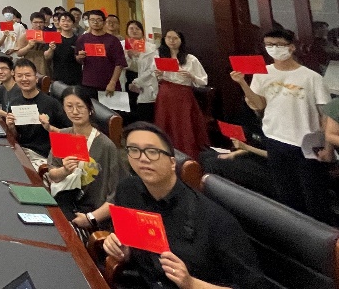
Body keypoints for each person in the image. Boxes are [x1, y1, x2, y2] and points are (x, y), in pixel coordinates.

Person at [103, 122, 271, 289]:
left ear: (172, 162)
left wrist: (191, 283)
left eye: (152, 152)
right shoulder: (127, 191)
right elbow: (130, 248)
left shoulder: (216, 221)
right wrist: (123, 251)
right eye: (134, 150)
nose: (142, 158)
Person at [231, 28, 333, 224]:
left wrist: (328, 148)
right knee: (286, 195)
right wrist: (242, 83)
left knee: (315, 198)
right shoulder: (262, 73)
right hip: (274, 139)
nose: (274, 49)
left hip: (306, 144)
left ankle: (325, 238)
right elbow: (258, 105)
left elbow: (326, 116)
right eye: (269, 45)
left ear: (292, 47)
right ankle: (295, 234)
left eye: (279, 45)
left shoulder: (311, 77)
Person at [46, 87, 121, 227]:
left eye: (80, 106)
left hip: (91, 212)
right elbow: (53, 175)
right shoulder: (63, 135)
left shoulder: (106, 146)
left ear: (90, 109)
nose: (75, 112)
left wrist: (90, 218)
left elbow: (115, 196)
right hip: (66, 202)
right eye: (69, 106)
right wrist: (64, 170)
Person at [152, 30, 209, 159]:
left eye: (175, 38)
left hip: (182, 94)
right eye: (168, 38)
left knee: (183, 124)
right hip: (165, 93)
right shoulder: (160, 56)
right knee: (165, 122)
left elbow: (203, 80)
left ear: (181, 40)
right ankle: (165, 153)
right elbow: (155, 79)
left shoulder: (190, 59)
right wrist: (158, 75)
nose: (171, 41)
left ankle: (186, 154)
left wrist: (191, 76)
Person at [2, 59, 69, 161]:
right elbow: (16, 136)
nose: (24, 79)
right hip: (21, 151)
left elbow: (69, 133)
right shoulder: (14, 104)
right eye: (19, 76)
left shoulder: (52, 103)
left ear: (36, 78)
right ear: (15, 78)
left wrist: (49, 128)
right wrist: (11, 127)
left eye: (28, 75)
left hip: (43, 156)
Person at [77, 9, 125, 97]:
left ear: (104, 22)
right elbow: (78, 59)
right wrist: (80, 57)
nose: (95, 22)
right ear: (88, 22)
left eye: (98, 20)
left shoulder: (113, 40)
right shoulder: (83, 39)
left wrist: (113, 82)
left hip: (108, 84)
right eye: (92, 20)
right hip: (88, 83)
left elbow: (120, 63)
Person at [124, 20, 158, 122]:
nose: (134, 31)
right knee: (129, 110)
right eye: (131, 28)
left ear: (142, 31)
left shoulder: (151, 47)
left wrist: (138, 82)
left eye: (137, 28)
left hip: (145, 81)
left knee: (144, 112)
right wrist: (129, 56)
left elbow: (153, 67)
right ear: (127, 31)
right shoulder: (122, 45)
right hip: (127, 78)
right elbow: (118, 65)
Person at [45, 12, 83, 86]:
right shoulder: (53, 37)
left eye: (68, 21)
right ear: (59, 23)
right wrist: (51, 49)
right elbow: (47, 57)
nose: (66, 23)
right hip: (58, 78)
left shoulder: (79, 40)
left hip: (76, 78)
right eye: (63, 21)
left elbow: (81, 61)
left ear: (73, 23)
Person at [14, 12, 49, 76]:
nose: (38, 25)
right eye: (35, 22)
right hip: (29, 65)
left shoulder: (48, 35)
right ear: (31, 22)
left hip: (45, 66)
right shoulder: (25, 36)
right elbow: (19, 53)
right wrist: (29, 46)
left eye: (41, 22)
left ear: (44, 23)